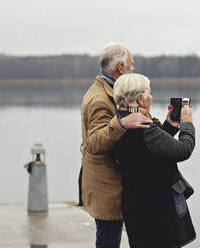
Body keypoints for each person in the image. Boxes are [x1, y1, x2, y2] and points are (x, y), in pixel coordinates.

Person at [79, 43, 153, 248]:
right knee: (108, 241)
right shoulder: (99, 98)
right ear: (121, 67)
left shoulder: (116, 90)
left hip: (118, 183)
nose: (134, 69)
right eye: (131, 65)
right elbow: (93, 142)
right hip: (106, 186)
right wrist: (120, 123)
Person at [111, 73, 196, 248]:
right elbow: (183, 150)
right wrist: (187, 125)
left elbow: (148, 151)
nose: (151, 97)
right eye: (149, 93)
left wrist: (169, 126)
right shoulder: (145, 128)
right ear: (140, 100)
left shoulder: (120, 123)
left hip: (136, 206)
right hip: (157, 210)